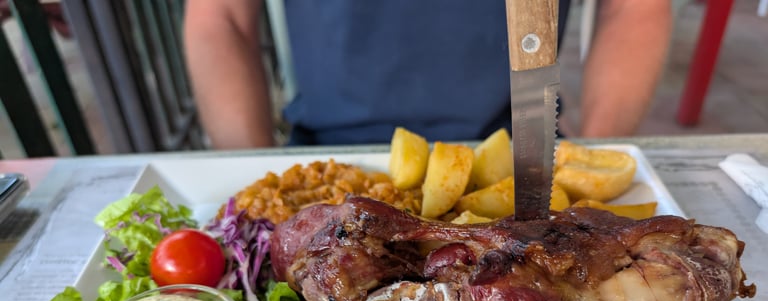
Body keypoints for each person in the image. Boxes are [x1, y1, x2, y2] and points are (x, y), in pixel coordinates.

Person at [183, 0, 672, 149]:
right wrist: (250, 174)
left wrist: (599, 153)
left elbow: (634, 10)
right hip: (329, 156)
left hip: (522, 153)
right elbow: (219, 16)